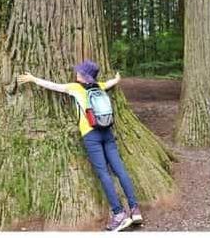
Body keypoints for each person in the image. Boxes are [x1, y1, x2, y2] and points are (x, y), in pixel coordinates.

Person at [17, 60, 141, 232]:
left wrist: (33, 78)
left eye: (79, 73)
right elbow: (112, 82)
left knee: (104, 173)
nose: (76, 74)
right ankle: (135, 209)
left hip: (91, 135)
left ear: (84, 77)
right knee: (120, 170)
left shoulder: (75, 88)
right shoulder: (100, 86)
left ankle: (119, 214)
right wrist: (117, 79)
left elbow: (52, 86)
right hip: (107, 132)